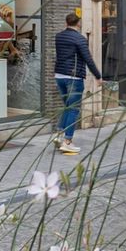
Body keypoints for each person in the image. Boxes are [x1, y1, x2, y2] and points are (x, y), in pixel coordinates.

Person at [54, 12, 101, 155]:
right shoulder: (79, 39)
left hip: (59, 76)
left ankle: (58, 135)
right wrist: (98, 76)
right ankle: (67, 142)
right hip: (73, 78)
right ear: (78, 23)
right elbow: (88, 59)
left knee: (68, 106)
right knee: (74, 109)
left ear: (66, 22)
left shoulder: (59, 37)